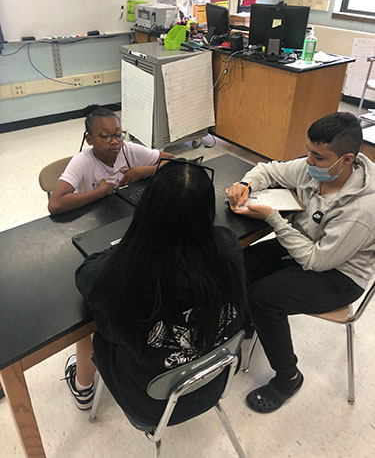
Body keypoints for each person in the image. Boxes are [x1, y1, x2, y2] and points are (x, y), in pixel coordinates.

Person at [65, 159, 247, 423]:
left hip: (149, 404)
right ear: (208, 211)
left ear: (146, 213)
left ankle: (83, 388)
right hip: (213, 383)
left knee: (86, 327)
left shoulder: (124, 275)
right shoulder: (228, 246)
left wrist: (129, 245)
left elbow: (84, 274)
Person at [227, 112, 375, 413]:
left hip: (339, 275)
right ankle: (249, 324)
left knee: (264, 297)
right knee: (235, 265)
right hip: (304, 247)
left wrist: (273, 219)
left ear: (346, 160)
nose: (308, 161)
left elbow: (315, 260)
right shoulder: (320, 168)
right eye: (308, 151)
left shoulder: (362, 211)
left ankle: (288, 377)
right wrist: (246, 184)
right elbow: (271, 170)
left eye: (318, 157)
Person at [48, 105, 173, 214]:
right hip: (94, 215)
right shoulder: (82, 161)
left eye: (118, 135)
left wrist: (146, 170)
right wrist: (101, 192)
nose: (114, 142)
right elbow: (55, 205)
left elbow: (175, 161)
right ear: (89, 139)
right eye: (105, 136)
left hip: (126, 210)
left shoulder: (128, 149)